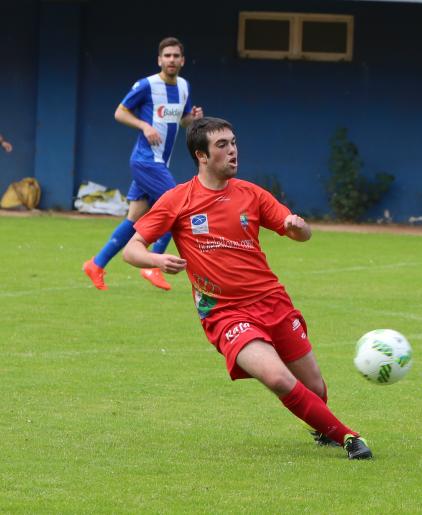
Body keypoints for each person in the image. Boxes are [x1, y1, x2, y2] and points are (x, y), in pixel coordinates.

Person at [121, 117, 373, 460]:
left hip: (272, 301)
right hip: (224, 312)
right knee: (277, 377)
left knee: (314, 388)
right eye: (222, 145)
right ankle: (349, 437)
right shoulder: (177, 199)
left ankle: (322, 425)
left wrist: (298, 227)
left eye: (234, 142)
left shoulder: (252, 194)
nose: (233, 151)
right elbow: (131, 249)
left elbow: (299, 232)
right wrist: (156, 260)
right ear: (202, 156)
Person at [83, 37, 203, 291]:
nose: (171, 60)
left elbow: (183, 121)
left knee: (135, 217)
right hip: (145, 161)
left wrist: (193, 118)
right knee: (178, 206)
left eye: (175, 56)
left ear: (183, 60)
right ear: (159, 60)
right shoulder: (147, 85)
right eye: (166, 56)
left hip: (160, 162)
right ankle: (153, 265)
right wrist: (144, 125)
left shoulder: (183, 86)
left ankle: (96, 263)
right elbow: (120, 112)